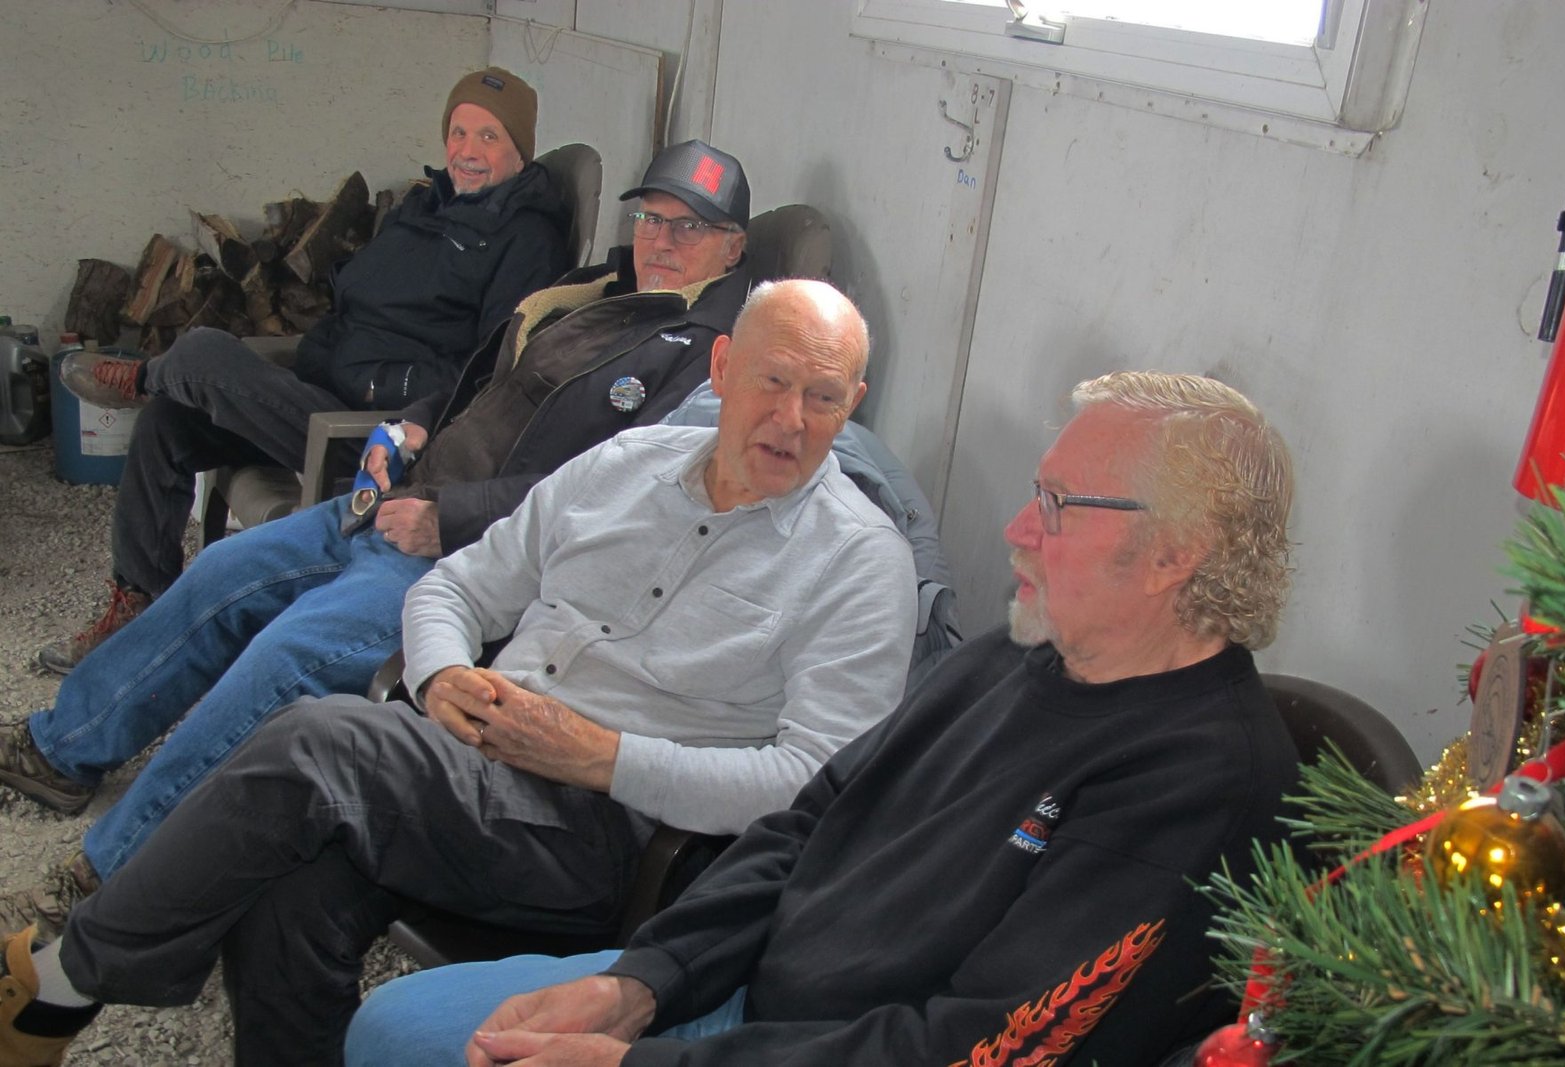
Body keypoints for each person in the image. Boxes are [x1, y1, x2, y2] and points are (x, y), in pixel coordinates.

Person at [0, 279, 919, 1067]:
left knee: (320, 737)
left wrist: (603, 756)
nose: (792, 420)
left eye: (823, 396)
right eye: (772, 381)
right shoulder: (624, 466)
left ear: (854, 402)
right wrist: (439, 676)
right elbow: (455, 586)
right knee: (291, 884)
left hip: (609, 833)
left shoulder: (860, 563)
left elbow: (814, 785)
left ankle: (69, 977)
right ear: (722, 369)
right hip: (476, 766)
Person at [335, 370, 1308, 1067]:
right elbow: (807, 823)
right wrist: (643, 980)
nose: (1017, 530)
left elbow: (976, 1043)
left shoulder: (1201, 779)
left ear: (1174, 553)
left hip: (824, 1046)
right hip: (743, 993)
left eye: (1056, 506)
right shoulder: (1013, 656)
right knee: (394, 1024)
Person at [0, 139, 755, 912]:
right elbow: (482, 382)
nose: (662, 240)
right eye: (651, 219)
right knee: (222, 575)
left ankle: (105, 882)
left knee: (287, 654)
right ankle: (61, 747)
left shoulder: (710, 358)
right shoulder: (593, 288)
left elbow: (614, 497)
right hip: (400, 500)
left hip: (469, 557)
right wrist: (412, 424)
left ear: (733, 246)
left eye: (689, 227)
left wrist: (449, 518)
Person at [39, 65, 572, 674]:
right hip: (320, 391)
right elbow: (354, 300)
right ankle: (141, 611)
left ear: (519, 149)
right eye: (458, 132)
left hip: (371, 433)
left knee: (203, 350)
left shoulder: (528, 240)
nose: (468, 152)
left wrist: (395, 402)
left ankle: (142, 377)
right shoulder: (423, 208)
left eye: (489, 137)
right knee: (169, 423)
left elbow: (488, 372)